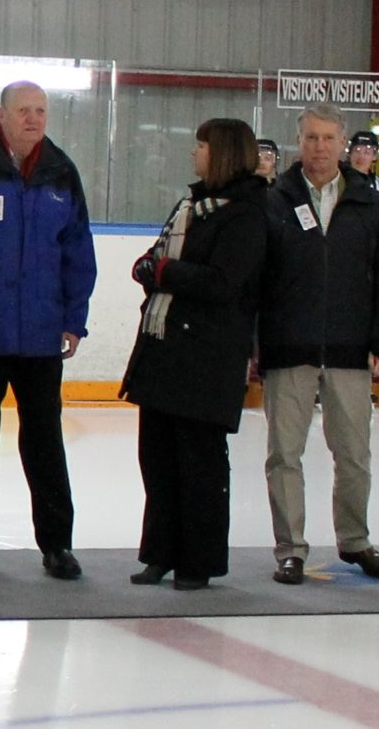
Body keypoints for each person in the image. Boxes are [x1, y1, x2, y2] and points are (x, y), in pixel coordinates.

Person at [0, 81, 96, 581]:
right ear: (1, 114)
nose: (33, 119)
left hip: (41, 337)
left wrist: (74, 319)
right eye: (24, 110)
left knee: (45, 442)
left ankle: (57, 546)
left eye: (41, 111)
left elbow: (77, 251)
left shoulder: (61, 171)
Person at [257, 104, 379, 586]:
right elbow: (256, 279)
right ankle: (290, 549)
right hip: (288, 346)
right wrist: (253, 344)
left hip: (350, 347)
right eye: (311, 138)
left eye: (328, 139)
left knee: (354, 454)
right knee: (284, 454)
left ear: (343, 144)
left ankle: (355, 540)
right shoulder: (273, 200)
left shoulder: (371, 204)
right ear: (297, 142)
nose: (320, 148)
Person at [121, 118, 272, 592]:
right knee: (158, 459)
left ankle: (198, 560)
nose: (194, 153)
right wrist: (156, 267)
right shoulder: (192, 205)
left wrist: (164, 271)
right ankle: (159, 553)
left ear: (223, 152)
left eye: (201, 146)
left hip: (207, 360)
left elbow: (224, 283)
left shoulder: (247, 215)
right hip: (165, 354)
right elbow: (156, 259)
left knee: (199, 465)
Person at [347, 130, 379, 200]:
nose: (361, 156)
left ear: (374, 156)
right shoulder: (338, 181)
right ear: (350, 154)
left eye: (367, 152)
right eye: (357, 150)